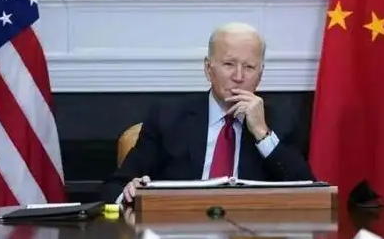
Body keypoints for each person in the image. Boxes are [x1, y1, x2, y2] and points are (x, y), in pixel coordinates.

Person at [99, 22, 316, 204]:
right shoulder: (168, 118)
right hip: (181, 234)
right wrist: (129, 193)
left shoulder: (280, 121)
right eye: (229, 64)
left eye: (249, 67)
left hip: (249, 237)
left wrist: (262, 133)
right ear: (208, 68)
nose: (238, 77)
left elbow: (310, 194)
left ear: (260, 75)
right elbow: (114, 187)